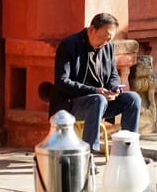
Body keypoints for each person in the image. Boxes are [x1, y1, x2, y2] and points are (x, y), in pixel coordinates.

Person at [49, 12, 141, 153]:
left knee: (133, 98)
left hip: (100, 102)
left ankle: (129, 150)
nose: (106, 42)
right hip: (72, 103)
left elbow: (113, 74)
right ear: (92, 29)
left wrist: (115, 88)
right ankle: (89, 153)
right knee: (98, 99)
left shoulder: (108, 47)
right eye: (104, 37)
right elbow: (62, 81)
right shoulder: (69, 45)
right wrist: (95, 90)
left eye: (110, 38)